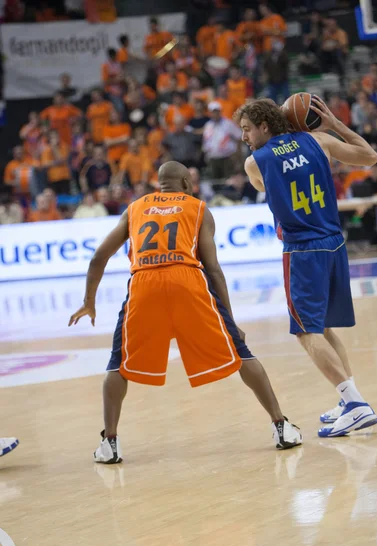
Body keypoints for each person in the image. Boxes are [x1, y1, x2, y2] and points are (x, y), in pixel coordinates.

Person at [68, 161, 302, 462]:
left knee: (118, 364)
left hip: (144, 283)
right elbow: (213, 269)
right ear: (187, 184)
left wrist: (89, 300)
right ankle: (281, 426)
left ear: (158, 185)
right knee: (240, 353)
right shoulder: (198, 208)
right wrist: (229, 320)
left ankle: (109, 443)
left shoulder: (135, 208)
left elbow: (99, 256)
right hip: (187, 281)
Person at [238, 97, 377, 437]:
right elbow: (370, 157)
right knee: (325, 327)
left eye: (246, 129)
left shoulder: (255, 162)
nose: (244, 137)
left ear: (265, 126)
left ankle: (356, 404)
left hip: (302, 249)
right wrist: (332, 123)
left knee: (305, 331)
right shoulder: (319, 140)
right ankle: (349, 400)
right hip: (334, 241)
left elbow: (265, 185)